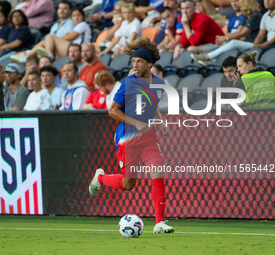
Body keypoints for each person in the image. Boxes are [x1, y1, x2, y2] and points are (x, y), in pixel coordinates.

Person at [88, 37, 174, 234]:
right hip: (128, 140)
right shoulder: (129, 83)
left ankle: (159, 222)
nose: (135, 65)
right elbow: (112, 111)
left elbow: (153, 104)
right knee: (128, 184)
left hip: (149, 139)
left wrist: (160, 121)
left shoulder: (158, 84)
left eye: (139, 61)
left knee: (157, 174)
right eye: (133, 61)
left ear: (150, 64)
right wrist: (135, 122)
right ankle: (100, 178)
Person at [192, 0, 273, 66]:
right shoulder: (246, 16)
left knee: (233, 42)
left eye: (242, 3)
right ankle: (212, 61)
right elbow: (238, 31)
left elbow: (243, 33)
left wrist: (226, 38)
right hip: (248, 43)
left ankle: (206, 57)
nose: (240, 5)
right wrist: (225, 38)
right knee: (228, 41)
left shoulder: (256, 16)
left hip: (251, 43)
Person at [26, 7, 91, 60]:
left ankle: (47, 56)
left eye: (78, 15)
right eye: (74, 16)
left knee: (50, 36)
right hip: (71, 48)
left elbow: (69, 37)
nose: (76, 18)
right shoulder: (76, 27)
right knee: (43, 43)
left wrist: (66, 35)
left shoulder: (83, 24)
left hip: (78, 48)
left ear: (83, 17)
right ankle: (28, 57)